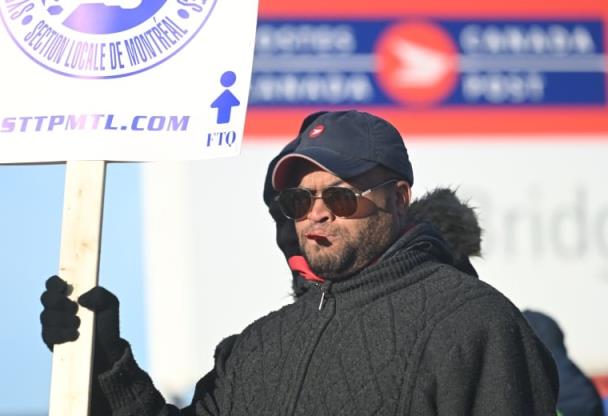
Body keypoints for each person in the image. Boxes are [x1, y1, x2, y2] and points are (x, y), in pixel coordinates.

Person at [41, 110, 559, 415]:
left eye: (340, 196)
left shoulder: (475, 323)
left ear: (400, 198)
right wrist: (104, 363)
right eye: (297, 201)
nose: (316, 214)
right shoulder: (255, 348)